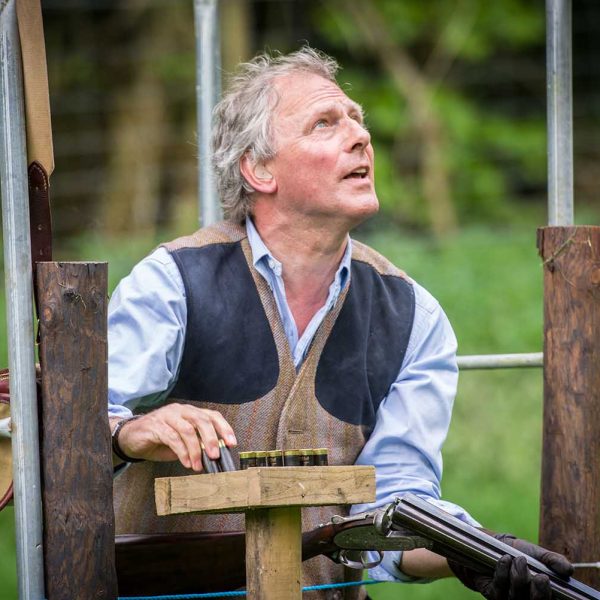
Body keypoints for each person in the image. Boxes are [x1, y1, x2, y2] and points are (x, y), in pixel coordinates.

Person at [108, 47, 572, 599]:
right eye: (324, 123)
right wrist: (131, 432)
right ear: (258, 169)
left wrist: (473, 551)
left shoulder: (413, 316)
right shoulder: (171, 283)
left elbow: (397, 504)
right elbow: (61, 436)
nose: (359, 136)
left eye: (357, 119)